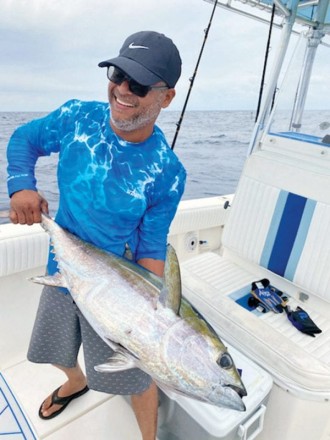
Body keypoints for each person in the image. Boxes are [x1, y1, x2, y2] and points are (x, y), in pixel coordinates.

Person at [7, 30, 186, 440]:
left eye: (138, 84)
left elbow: (151, 247)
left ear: (167, 97)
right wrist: (21, 186)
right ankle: (76, 381)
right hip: (62, 263)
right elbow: (25, 139)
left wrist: (147, 316)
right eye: (117, 74)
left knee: (138, 374)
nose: (122, 90)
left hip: (115, 283)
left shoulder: (167, 172)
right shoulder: (77, 118)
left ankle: (149, 437)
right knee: (51, 349)